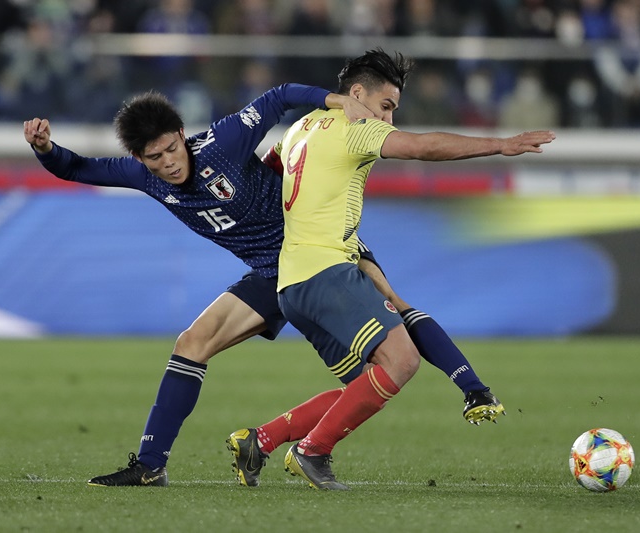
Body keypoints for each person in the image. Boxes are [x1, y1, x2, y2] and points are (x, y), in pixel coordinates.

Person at [22, 81, 503, 488]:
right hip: (272, 275)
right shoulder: (145, 177)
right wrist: (45, 148)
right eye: (155, 158)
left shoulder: (224, 142)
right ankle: (152, 465)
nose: (168, 162)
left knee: (376, 366)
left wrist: (339, 101)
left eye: (171, 148)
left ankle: (464, 391)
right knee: (191, 344)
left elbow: (280, 96)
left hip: (320, 257)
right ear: (139, 159)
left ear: (182, 134)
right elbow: (76, 167)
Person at [229, 49, 555, 490]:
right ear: (356, 94)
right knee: (401, 360)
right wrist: (500, 145)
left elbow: (268, 169)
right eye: (385, 106)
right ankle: (312, 451)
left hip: (291, 282)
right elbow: (420, 147)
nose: (388, 120)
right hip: (326, 269)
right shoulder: (354, 126)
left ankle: (260, 440)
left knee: (365, 385)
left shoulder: (300, 127)